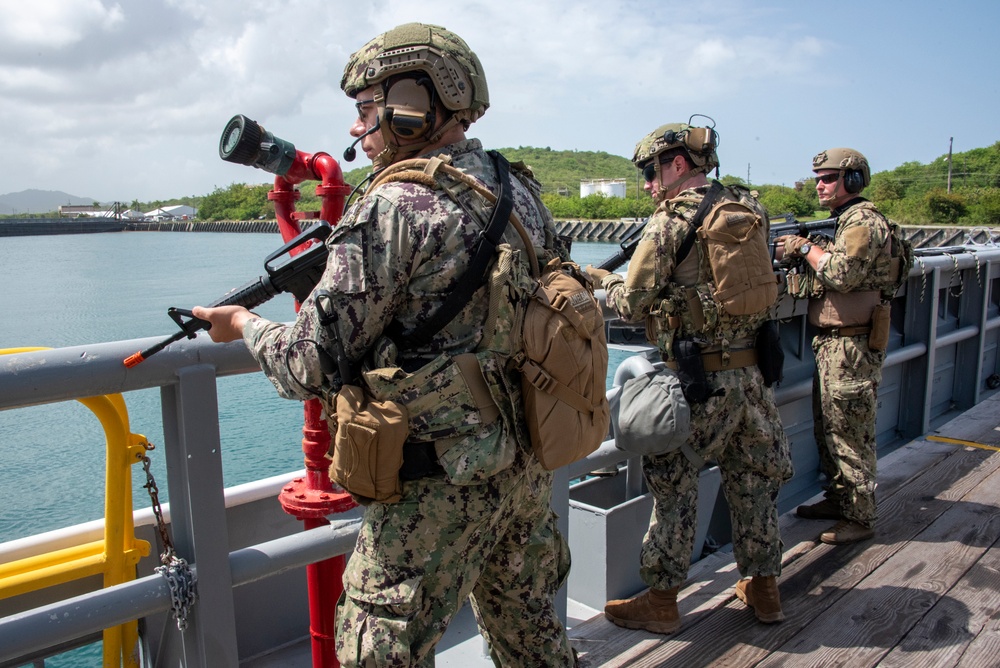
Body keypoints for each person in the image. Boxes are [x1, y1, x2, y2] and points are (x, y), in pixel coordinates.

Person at [193, 22, 577, 667]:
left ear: (412, 102)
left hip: (439, 477)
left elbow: (309, 363)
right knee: (531, 637)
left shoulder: (393, 206)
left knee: (378, 647)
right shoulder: (517, 189)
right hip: (523, 460)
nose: (356, 129)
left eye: (365, 110)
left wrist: (240, 327)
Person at [587, 122, 793, 632]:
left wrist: (601, 279)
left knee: (674, 488)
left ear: (677, 163)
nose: (649, 184)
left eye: (650, 172)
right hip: (753, 377)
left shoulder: (671, 221)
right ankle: (765, 591)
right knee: (753, 483)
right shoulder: (749, 208)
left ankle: (661, 602)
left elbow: (633, 302)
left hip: (699, 380)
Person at [781, 148, 905, 545]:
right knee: (829, 426)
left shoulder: (862, 223)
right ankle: (840, 498)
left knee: (849, 431)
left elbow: (841, 273)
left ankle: (860, 515)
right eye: (818, 177)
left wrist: (802, 248)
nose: (820, 184)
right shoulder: (847, 222)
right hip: (836, 343)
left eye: (829, 177)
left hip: (850, 345)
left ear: (852, 180)